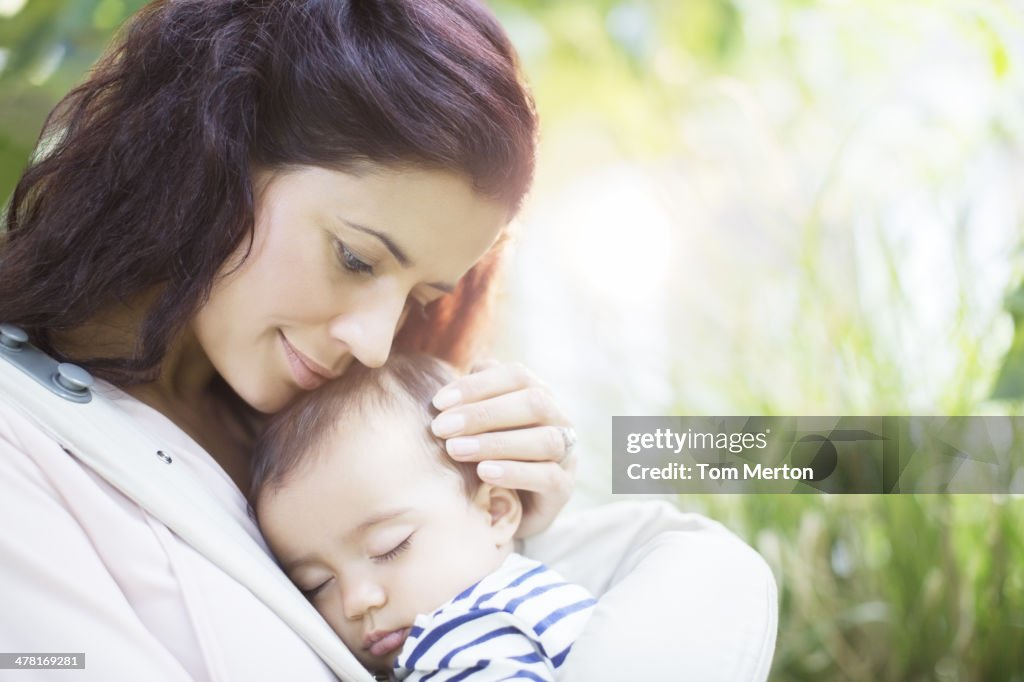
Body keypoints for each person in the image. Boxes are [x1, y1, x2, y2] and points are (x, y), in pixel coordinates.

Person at [0, 1, 777, 680]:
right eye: (355, 257)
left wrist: (519, 522)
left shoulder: (332, 426)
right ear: (212, 156)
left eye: (417, 298)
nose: (375, 343)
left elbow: (711, 573)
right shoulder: (22, 443)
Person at [250, 353, 597, 680]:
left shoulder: (465, 633)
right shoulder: (530, 598)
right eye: (316, 584)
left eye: (389, 547)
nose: (355, 602)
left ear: (495, 511)